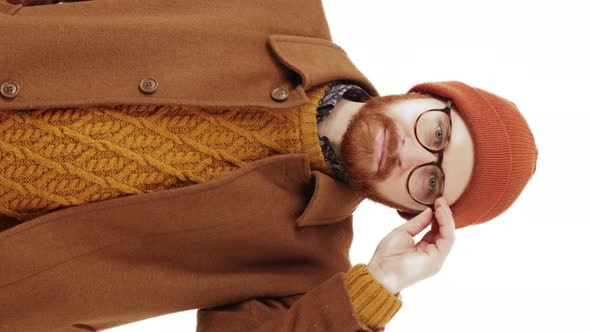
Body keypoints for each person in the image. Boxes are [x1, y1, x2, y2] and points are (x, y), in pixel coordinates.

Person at [0, 0, 538, 331]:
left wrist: (382, 282)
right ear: (423, 94)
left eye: (432, 179)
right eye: (438, 132)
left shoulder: (306, 267)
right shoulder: (282, 6)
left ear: (410, 210)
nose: (413, 153)